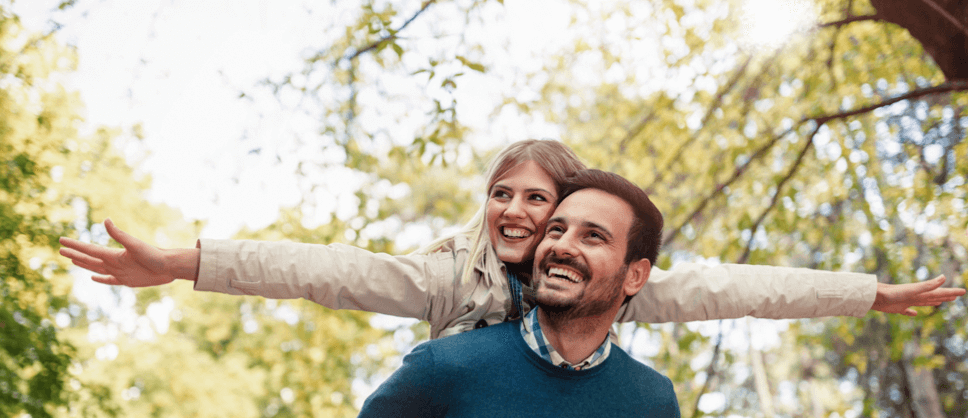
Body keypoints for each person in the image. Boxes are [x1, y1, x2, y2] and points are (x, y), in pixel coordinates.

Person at [59, 139, 964, 341]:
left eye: (540, 197)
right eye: (501, 193)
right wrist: (183, 262)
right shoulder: (447, 278)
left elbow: (740, 288)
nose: (515, 210)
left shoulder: (608, 290)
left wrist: (871, 292)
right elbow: (320, 270)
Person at [357, 170, 677, 417]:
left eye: (593, 236)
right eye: (556, 229)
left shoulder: (653, 400)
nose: (562, 245)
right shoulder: (442, 367)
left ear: (635, 276)